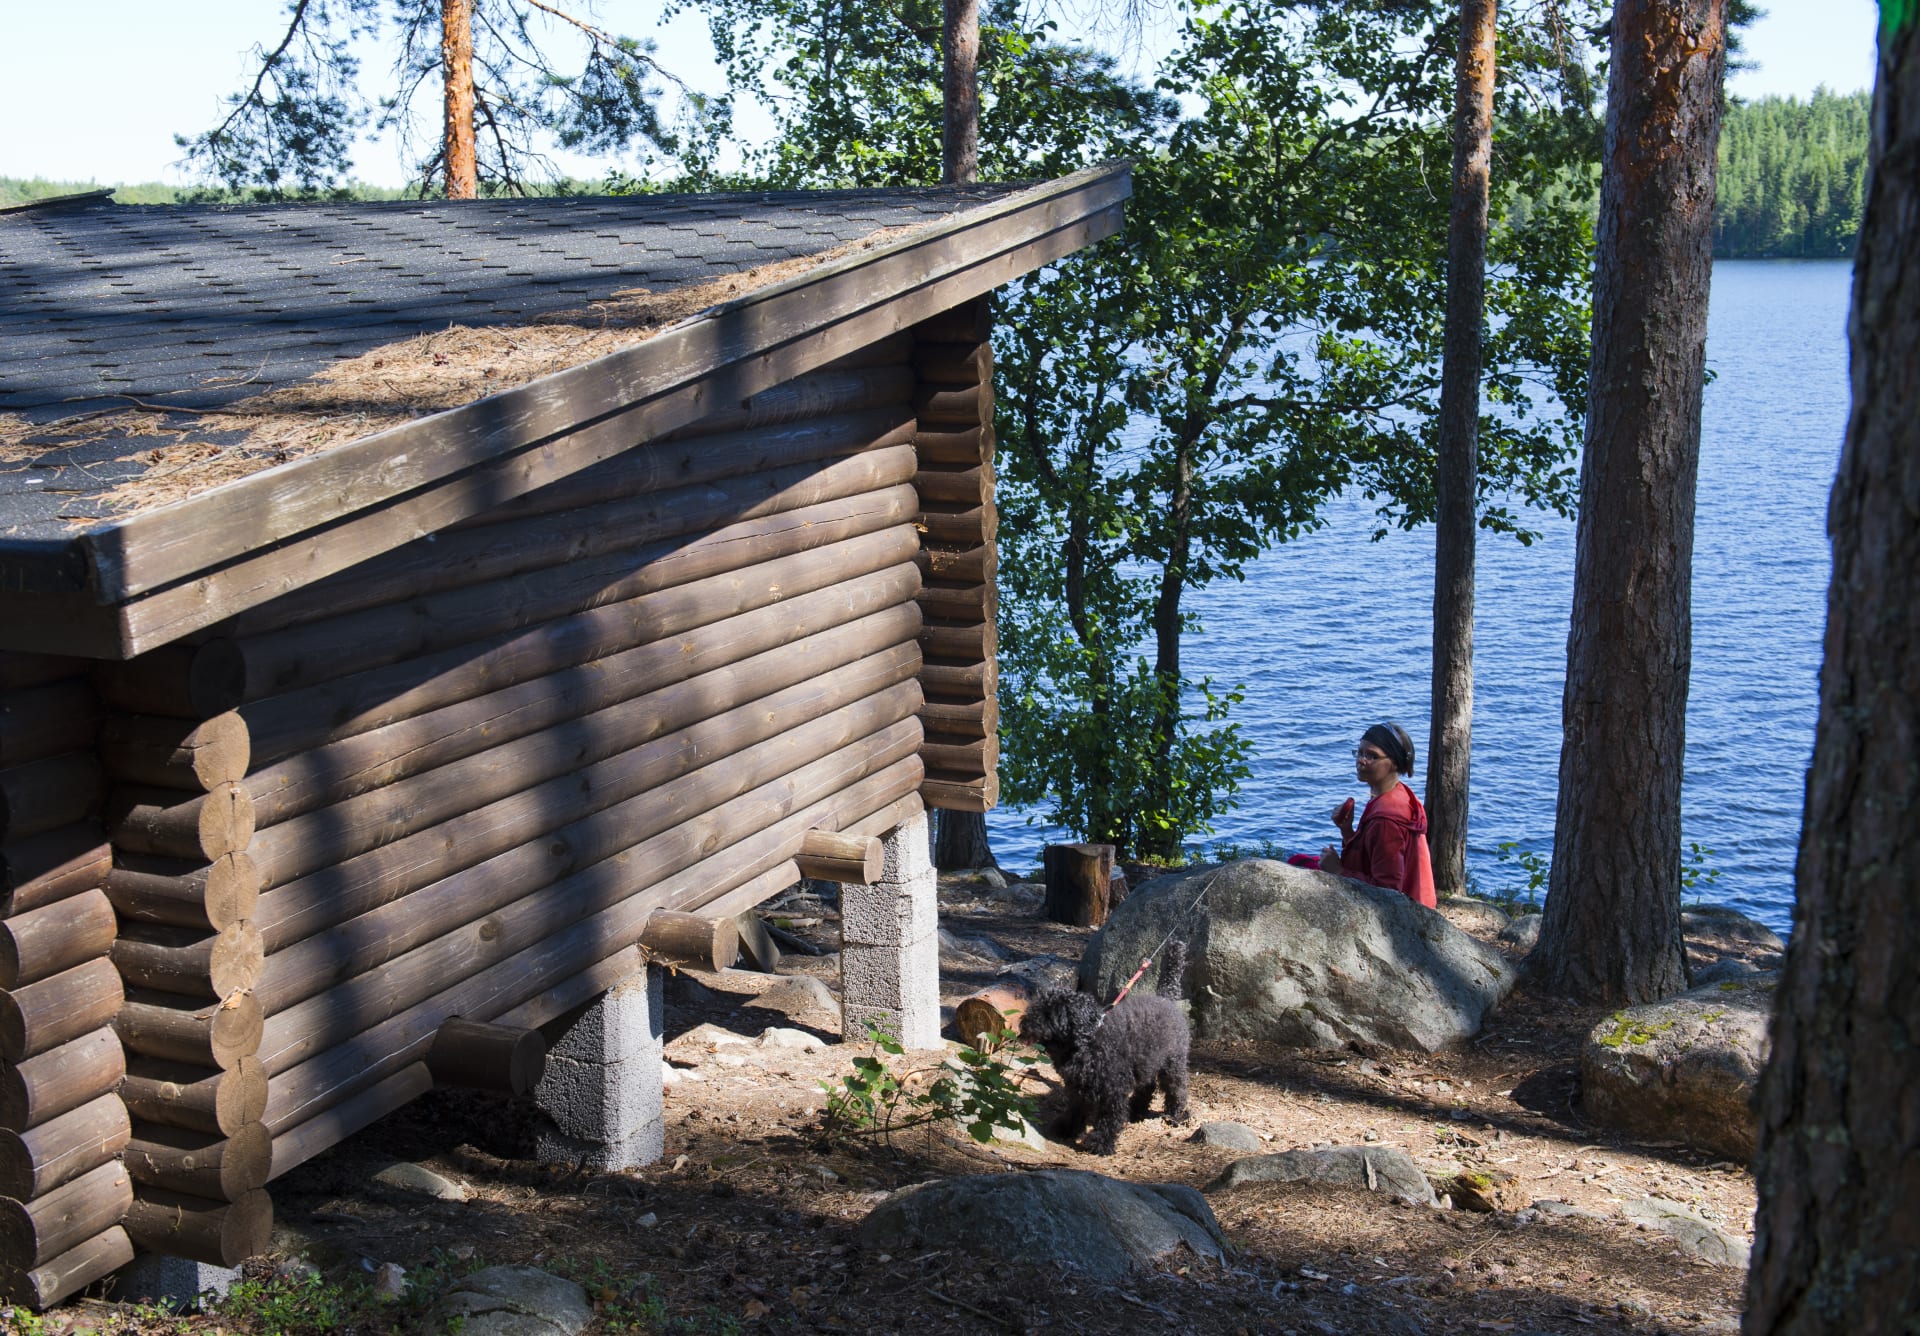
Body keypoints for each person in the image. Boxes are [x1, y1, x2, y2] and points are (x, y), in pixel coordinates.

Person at [1318, 722, 1437, 909]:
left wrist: (1338, 871)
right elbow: (1372, 860)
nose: (1361, 760)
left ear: (1394, 763)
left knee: (1297, 864)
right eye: (1359, 753)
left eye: (1372, 756)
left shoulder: (1386, 818)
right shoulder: (1399, 794)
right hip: (1421, 903)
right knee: (1299, 862)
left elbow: (1387, 890)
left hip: (1408, 914)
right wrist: (1347, 831)